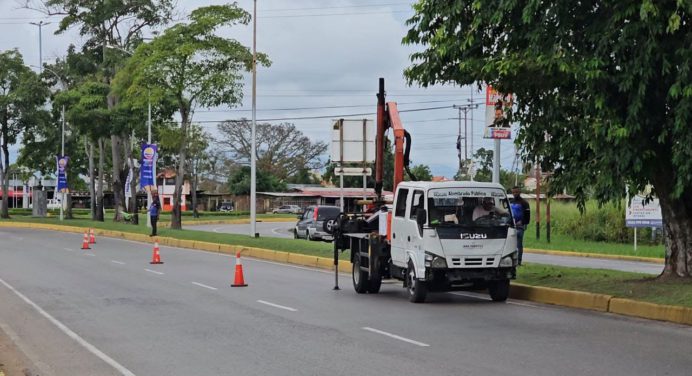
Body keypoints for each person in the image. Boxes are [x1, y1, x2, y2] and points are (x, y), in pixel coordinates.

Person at [511, 186, 531, 265]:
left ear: (520, 192)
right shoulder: (510, 202)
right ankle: (512, 261)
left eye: (516, 192)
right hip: (511, 226)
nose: (515, 194)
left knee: (519, 244)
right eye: (513, 192)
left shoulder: (524, 203)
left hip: (520, 226)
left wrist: (522, 222)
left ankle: (519, 261)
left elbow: (528, 217)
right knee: (511, 244)